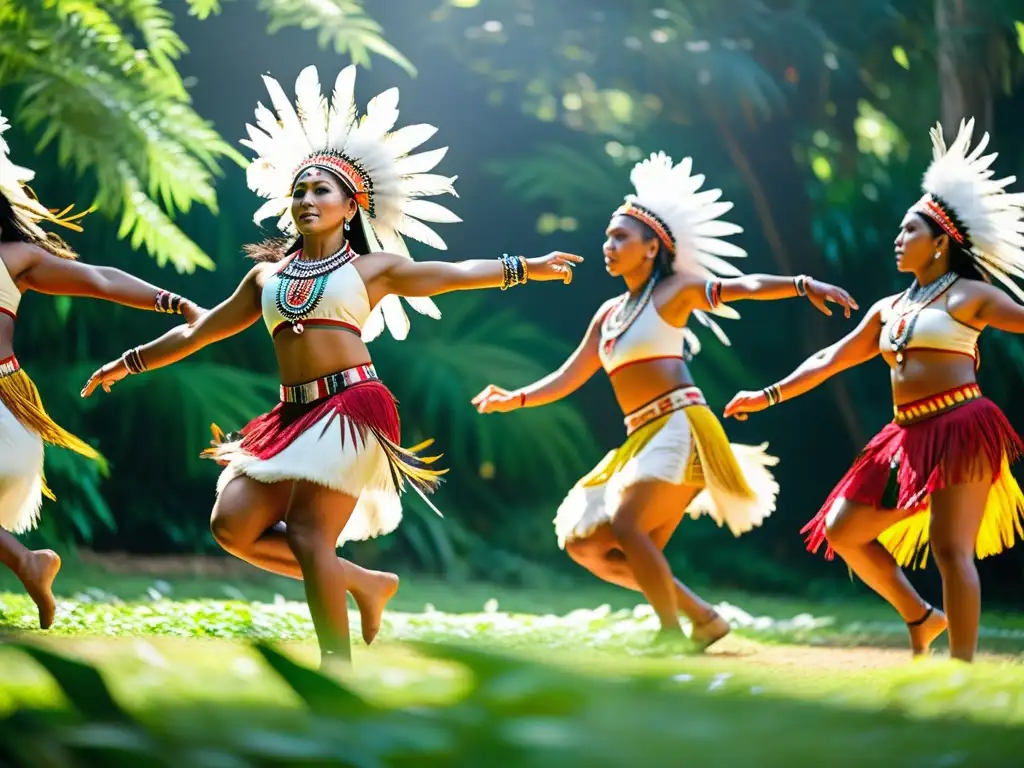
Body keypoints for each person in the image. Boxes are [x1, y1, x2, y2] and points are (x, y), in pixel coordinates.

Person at [80, 65, 583, 668]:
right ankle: (364, 584)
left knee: (309, 535)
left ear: (352, 206)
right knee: (231, 528)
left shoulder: (374, 270)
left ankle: (334, 665)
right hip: (291, 415)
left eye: (321, 190)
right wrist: (127, 363)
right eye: (299, 190)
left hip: (351, 407)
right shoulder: (266, 277)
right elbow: (200, 330)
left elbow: (451, 276)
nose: (307, 199)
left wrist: (529, 264)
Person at [472, 151, 858, 648]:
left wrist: (802, 285)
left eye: (621, 238)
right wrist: (515, 399)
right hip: (641, 439)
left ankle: (670, 632)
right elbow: (571, 376)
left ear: (652, 247)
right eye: (609, 236)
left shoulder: (676, 291)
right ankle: (703, 619)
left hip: (681, 426)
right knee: (589, 544)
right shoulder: (609, 313)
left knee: (627, 526)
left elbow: (745, 287)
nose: (608, 245)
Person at [724, 118, 1024, 662]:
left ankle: (962, 668)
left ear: (941, 242)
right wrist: (766, 395)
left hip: (961, 427)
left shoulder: (970, 297)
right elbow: (828, 359)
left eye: (910, 230)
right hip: (905, 436)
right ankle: (919, 616)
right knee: (843, 529)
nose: (898, 238)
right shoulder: (888, 309)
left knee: (951, 549)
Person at [0, 111, 203, 630]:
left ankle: (27, 561)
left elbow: (100, 279)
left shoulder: (14, 255)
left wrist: (174, 302)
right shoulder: (15, 255)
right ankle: (27, 561)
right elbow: (100, 278)